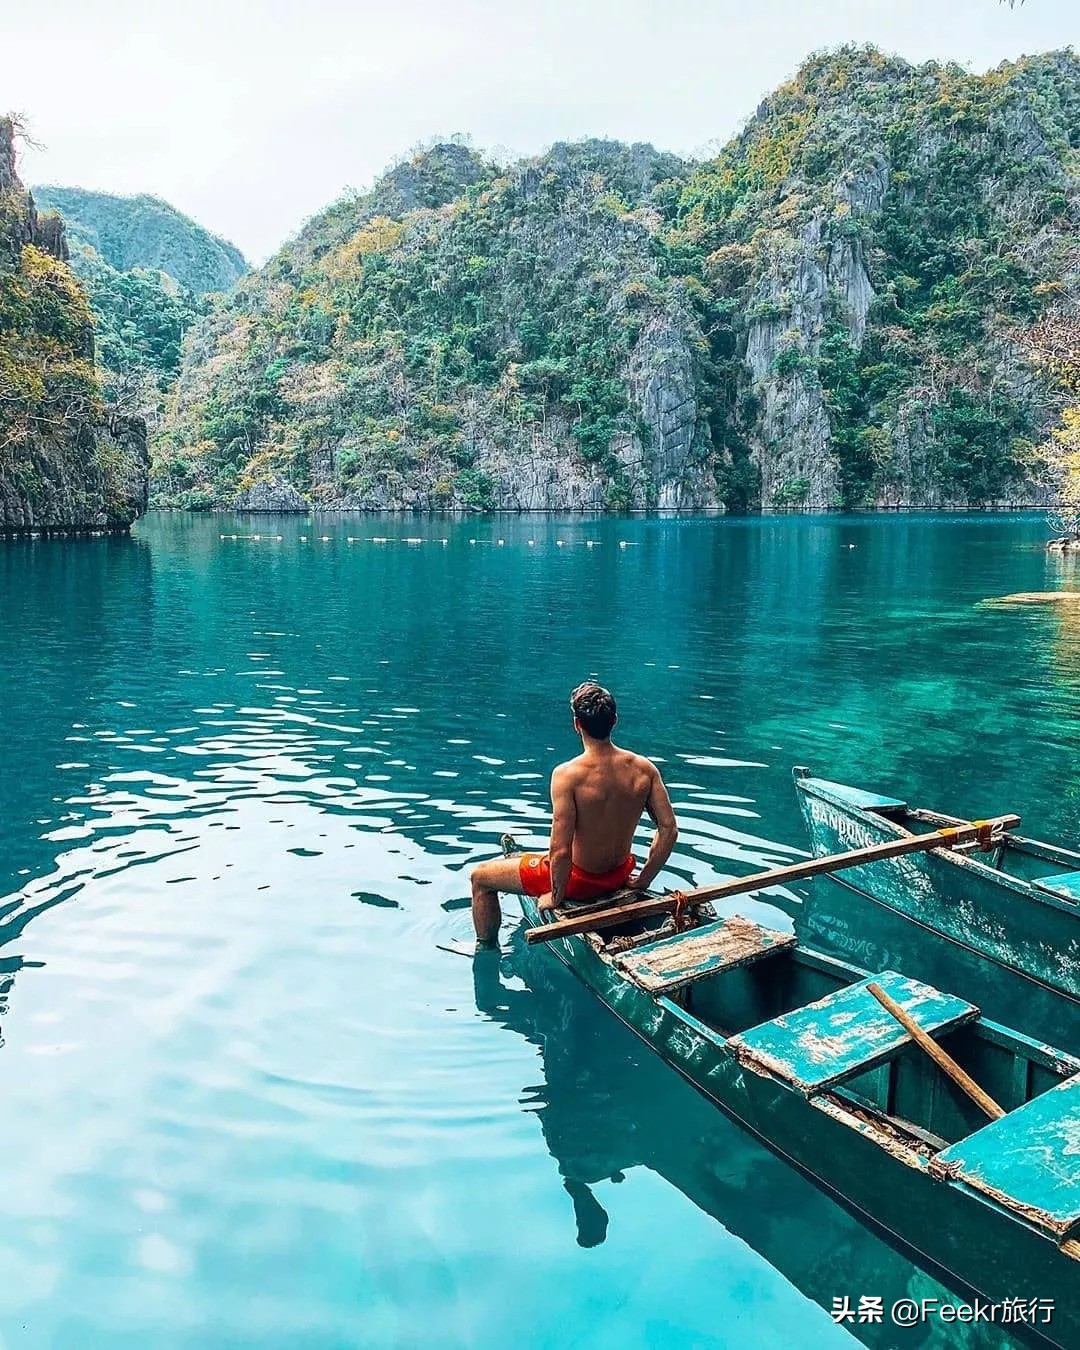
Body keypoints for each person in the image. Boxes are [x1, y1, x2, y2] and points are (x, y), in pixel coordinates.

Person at [470, 681, 679, 948]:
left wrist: (555, 896)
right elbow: (669, 830)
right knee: (531, 860)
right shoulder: (644, 769)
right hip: (620, 875)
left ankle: (485, 949)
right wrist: (643, 879)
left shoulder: (567, 775)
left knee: (480, 877)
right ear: (614, 721)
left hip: (578, 884)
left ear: (577, 724)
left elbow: (559, 850)